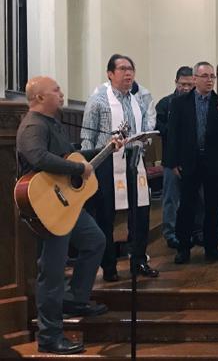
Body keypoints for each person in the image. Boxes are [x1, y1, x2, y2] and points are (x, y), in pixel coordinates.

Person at [17, 76, 115, 354]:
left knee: (95, 241)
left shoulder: (53, 123)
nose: (62, 94)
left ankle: (75, 298)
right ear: (39, 98)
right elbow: (38, 158)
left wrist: (105, 149)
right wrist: (77, 170)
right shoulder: (33, 125)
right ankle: (49, 336)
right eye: (56, 90)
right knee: (52, 271)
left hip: (66, 203)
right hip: (47, 207)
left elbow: (72, 157)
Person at [82, 54, 159, 281]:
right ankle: (109, 267)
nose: (129, 74)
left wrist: (145, 139)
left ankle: (138, 261)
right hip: (106, 163)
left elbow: (146, 126)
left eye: (131, 69)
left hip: (134, 161)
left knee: (141, 213)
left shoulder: (139, 98)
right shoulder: (98, 100)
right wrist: (88, 166)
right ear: (110, 73)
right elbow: (87, 136)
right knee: (106, 215)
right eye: (123, 69)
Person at [166, 61, 218, 264]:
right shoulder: (180, 103)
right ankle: (183, 247)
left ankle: (213, 247)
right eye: (205, 76)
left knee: (215, 206)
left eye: (212, 76)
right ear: (195, 79)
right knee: (186, 205)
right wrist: (173, 162)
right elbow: (173, 135)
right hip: (189, 161)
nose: (210, 80)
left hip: (214, 161)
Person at [155, 66, 203, 249]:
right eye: (183, 84)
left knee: (198, 198)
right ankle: (170, 233)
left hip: (194, 159)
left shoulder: (198, 102)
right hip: (172, 158)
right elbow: (158, 126)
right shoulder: (165, 104)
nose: (186, 88)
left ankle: (197, 231)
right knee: (171, 198)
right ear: (176, 83)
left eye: (190, 84)